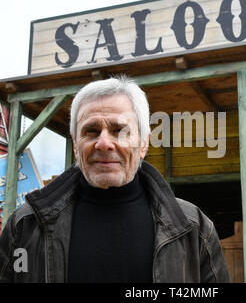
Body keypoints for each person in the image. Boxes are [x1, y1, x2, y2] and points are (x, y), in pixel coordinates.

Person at [0, 75, 230, 283]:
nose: (104, 143)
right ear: (75, 141)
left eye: (119, 130)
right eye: (91, 130)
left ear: (144, 142)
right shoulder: (25, 227)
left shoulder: (193, 228)